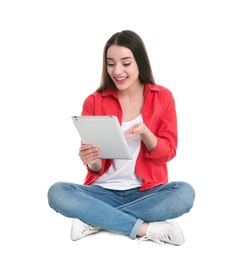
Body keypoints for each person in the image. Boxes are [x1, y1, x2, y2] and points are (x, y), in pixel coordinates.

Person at [47, 30, 195, 246]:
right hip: (101, 192)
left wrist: (146, 133)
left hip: (147, 193)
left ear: (139, 62)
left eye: (126, 63)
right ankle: (144, 229)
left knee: (184, 193)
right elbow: (96, 168)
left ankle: (96, 220)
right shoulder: (94, 101)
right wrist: (91, 159)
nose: (117, 71)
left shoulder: (162, 97)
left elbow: (168, 152)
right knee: (57, 192)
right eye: (110, 63)